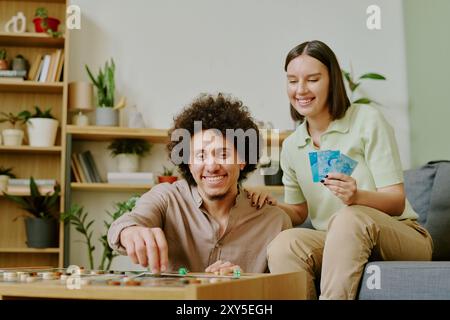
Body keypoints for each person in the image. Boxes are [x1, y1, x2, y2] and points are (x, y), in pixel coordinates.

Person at [248, 40, 433, 299]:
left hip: (399, 233)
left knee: (349, 217)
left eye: (312, 79)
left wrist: (357, 197)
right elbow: (300, 212)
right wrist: (272, 206)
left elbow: (396, 201)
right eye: (292, 81)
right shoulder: (292, 146)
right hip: (336, 240)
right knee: (284, 245)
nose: (300, 90)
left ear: (332, 80)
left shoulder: (367, 120)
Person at [107, 93, 292, 275]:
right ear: (188, 162)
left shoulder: (274, 221)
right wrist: (130, 232)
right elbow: (126, 223)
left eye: (223, 154)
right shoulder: (167, 199)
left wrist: (242, 285)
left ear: (242, 160)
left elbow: (284, 291)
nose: (211, 166)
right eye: (201, 155)